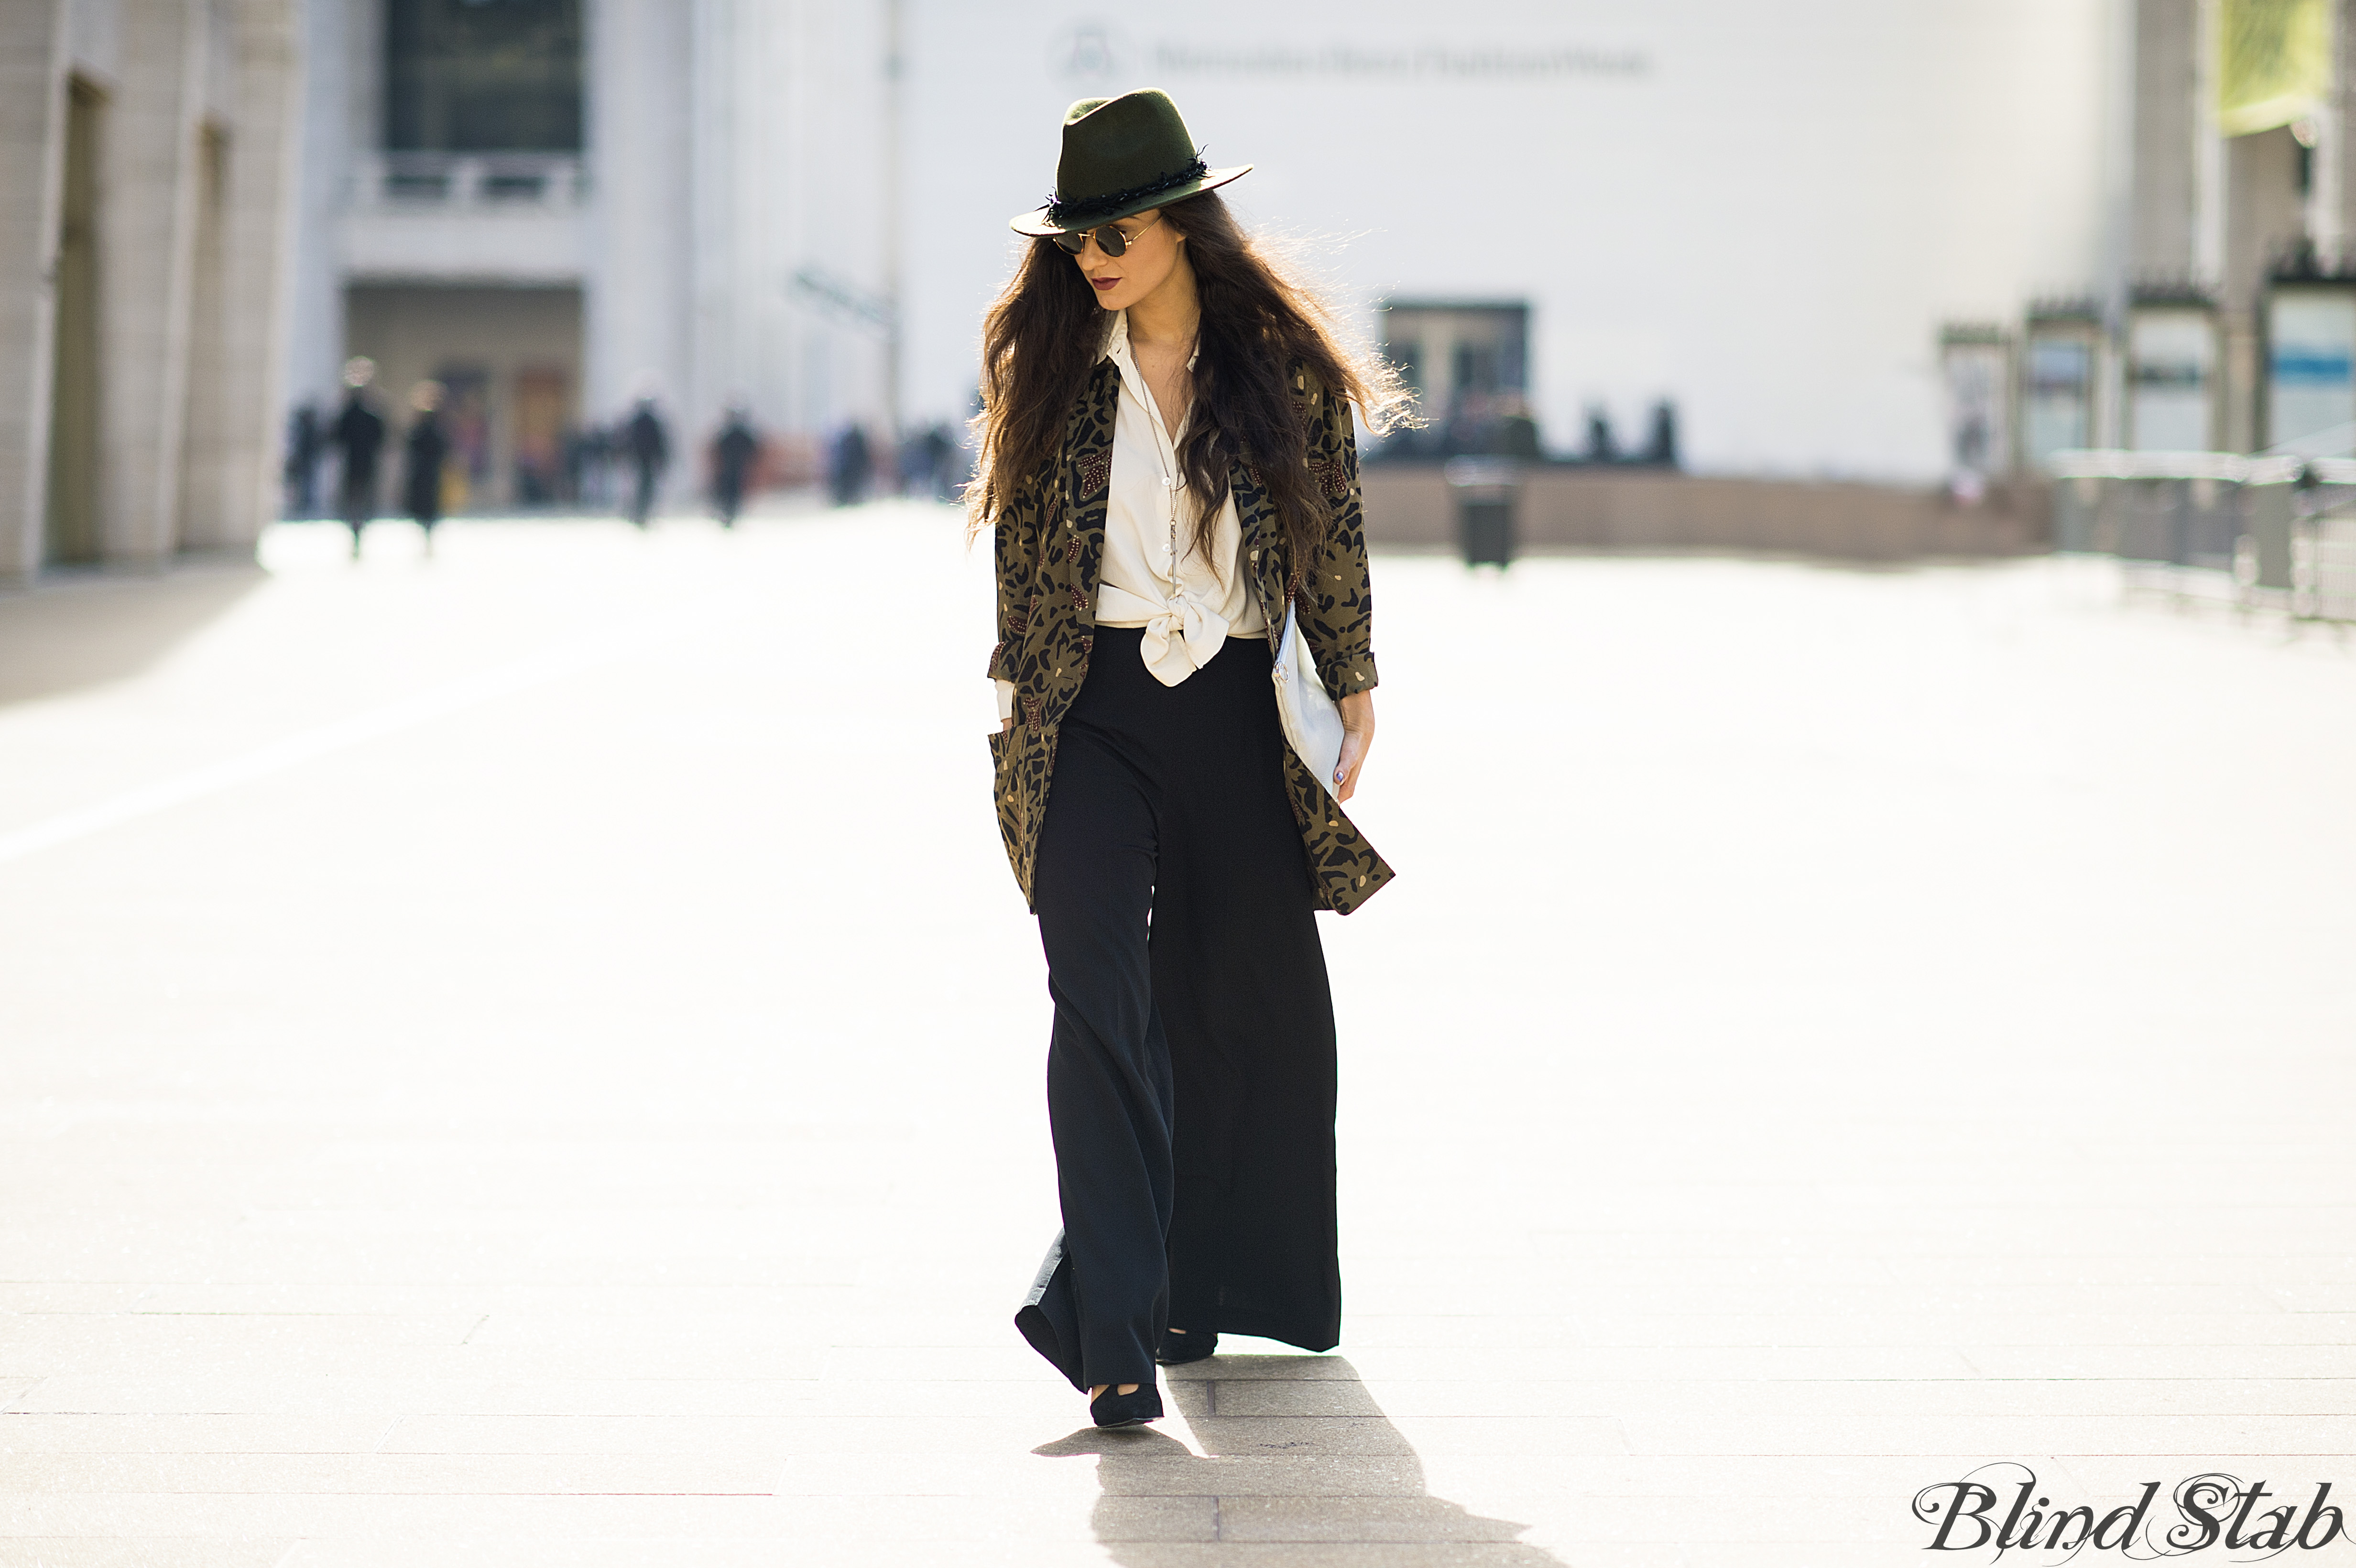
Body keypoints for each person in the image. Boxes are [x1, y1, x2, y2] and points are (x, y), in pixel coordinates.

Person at [970, 89, 1408, 1430]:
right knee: (1093, 987)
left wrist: (1355, 675)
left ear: (1177, 224)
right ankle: (1112, 1331)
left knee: (1238, 1003)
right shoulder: (1050, 360)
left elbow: (1329, 524)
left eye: (1116, 230)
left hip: (1232, 708)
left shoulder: (1273, 361)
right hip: (1089, 712)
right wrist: (1015, 709)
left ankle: (1188, 1277)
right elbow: (1018, 557)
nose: (1092, 255)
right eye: (1076, 234)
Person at [330, 359, 386, 558]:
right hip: (363, 462)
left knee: (355, 500)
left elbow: (336, 437)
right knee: (361, 501)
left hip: (356, 462)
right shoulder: (371, 414)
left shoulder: (350, 413)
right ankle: (358, 531)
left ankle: (356, 531)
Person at [403, 381, 450, 553]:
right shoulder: (435, 426)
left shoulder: (422, 427)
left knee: (427, 506)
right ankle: (428, 535)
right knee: (428, 506)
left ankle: (427, 535)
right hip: (429, 472)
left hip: (425, 472)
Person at [623, 398, 668, 527]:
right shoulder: (652, 422)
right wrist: (662, 458)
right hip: (647, 459)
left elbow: (629, 441)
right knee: (646, 487)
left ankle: (639, 513)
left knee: (640, 487)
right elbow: (659, 442)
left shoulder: (636, 422)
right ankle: (643, 513)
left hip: (639, 458)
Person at [711, 406, 760, 528]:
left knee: (731, 493)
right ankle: (729, 514)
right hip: (735, 469)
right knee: (731, 493)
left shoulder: (729, 433)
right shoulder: (735, 433)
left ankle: (729, 514)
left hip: (734, 469)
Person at [829, 423, 870, 507]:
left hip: (852, 467)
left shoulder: (852, 439)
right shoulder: (850, 439)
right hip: (850, 468)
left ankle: (851, 500)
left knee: (853, 485)